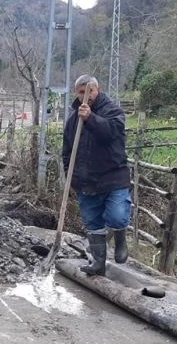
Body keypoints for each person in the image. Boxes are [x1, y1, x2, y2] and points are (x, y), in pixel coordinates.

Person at [62, 75, 131, 276]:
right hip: (85, 180)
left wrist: (90, 118)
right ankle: (98, 263)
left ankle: (120, 239)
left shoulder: (113, 111)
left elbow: (111, 133)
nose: (86, 97)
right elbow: (67, 150)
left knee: (117, 216)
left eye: (89, 91)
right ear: (76, 93)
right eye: (81, 92)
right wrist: (70, 175)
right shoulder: (73, 119)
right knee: (93, 223)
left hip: (113, 177)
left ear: (97, 90)